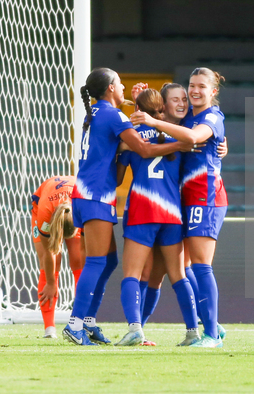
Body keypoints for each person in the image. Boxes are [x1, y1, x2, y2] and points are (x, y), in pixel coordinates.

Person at [64, 68, 194, 346]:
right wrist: (178, 146)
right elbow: (145, 149)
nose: (124, 88)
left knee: (109, 260)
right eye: (120, 84)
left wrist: (137, 103)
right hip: (96, 195)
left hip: (87, 193)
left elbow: (124, 131)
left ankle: (88, 322)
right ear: (111, 87)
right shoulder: (114, 116)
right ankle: (74, 324)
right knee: (98, 261)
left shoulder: (96, 113)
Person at [130, 67, 228, 348]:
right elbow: (180, 127)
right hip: (181, 201)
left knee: (200, 265)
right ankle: (210, 325)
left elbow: (196, 137)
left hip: (204, 195)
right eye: (191, 86)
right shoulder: (191, 116)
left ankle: (210, 334)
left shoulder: (211, 116)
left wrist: (154, 122)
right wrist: (141, 103)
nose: (194, 91)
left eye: (201, 87)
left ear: (213, 91)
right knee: (178, 269)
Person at [115, 88, 199, 346]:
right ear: (162, 107)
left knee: (132, 273)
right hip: (172, 213)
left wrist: (118, 153)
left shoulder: (132, 137)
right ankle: (194, 332)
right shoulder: (176, 133)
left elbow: (117, 179)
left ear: (138, 111)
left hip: (142, 211)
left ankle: (135, 329)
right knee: (178, 275)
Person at [31, 175, 83, 339]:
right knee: (48, 268)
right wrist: (52, 284)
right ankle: (49, 329)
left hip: (74, 204)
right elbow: (49, 252)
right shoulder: (45, 216)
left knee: (79, 261)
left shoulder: (84, 205)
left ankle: (79, 322)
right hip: (42, 205)